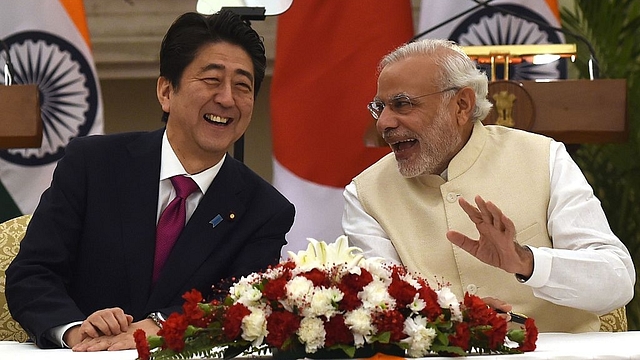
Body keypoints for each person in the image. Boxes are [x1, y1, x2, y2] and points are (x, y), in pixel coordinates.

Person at [6, 10, 295, 351]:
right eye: (212, 80)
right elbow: (32, 274)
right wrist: (73, 329)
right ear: (165, 91)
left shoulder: (265, 210)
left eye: (242, 86)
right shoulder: (92, 164)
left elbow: (240, 305)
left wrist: (162, 325)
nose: (227, 98)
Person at [342, 39, 635, 332]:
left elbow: (616, 280)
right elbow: (380, 306)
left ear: (461, 105)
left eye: (402, 104)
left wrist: (527, 262)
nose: (384, 123)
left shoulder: (544, 158)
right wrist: (455, 320)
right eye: (380, 107)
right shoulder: (366, 193)